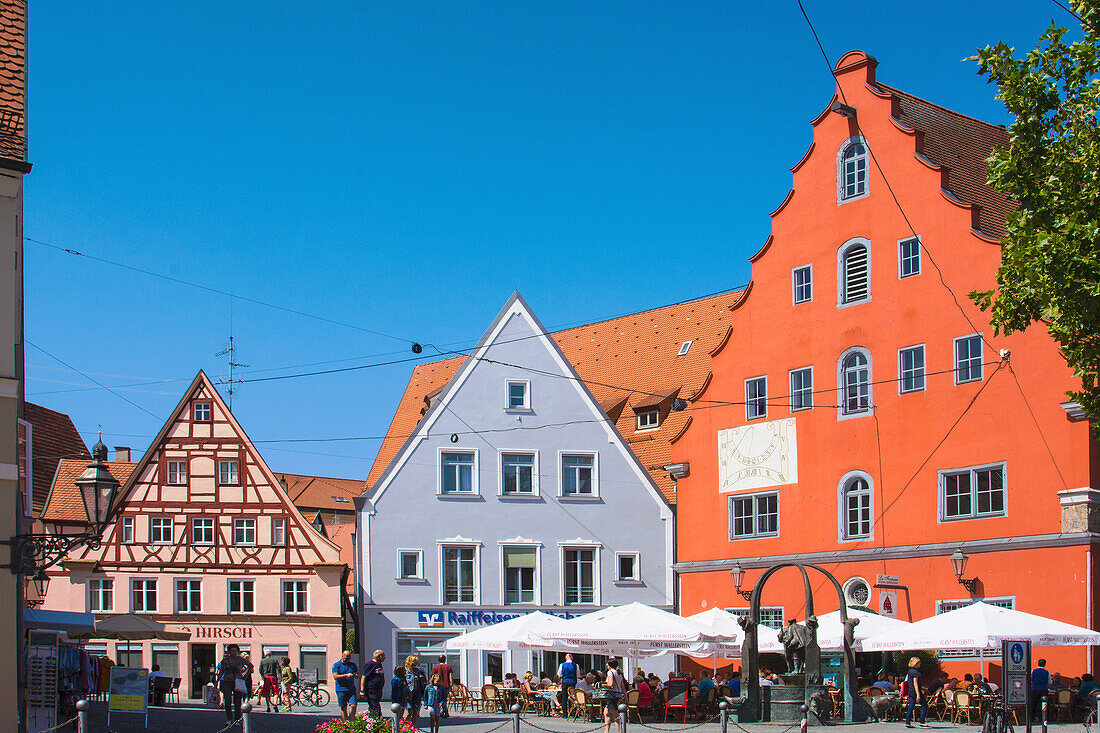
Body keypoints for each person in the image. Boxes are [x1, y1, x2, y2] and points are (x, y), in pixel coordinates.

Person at [216, 644, 249, 724]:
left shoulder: (241, 659)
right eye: (232, 650)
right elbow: (221, 671)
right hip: (226, 681)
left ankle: (237, 719)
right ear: (229, 651)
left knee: (237, 701)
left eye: (235, 651)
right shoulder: (225, 660)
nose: (234, 652)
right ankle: (229, 719)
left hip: (237, 681)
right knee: (227, 700)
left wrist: (245, 675)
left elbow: (251, 666)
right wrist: (217, 681)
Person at [332, 649, 360, 720]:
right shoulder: (336, 665)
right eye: (346, 658)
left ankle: (350, 721)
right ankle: (345, 723)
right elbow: (335, 676)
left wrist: (355, 675)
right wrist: (346, 675)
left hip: (351, 689)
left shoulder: (353, 665)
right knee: (343, 707)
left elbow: (357, 674)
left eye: (349, 658)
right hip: (341, 689)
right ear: (342, 656)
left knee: (353, 705)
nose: (348, 660)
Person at [603, 659, 626, 733]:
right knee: (607, 712)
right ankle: (606, 731)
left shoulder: (610, 672)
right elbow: (623, 687)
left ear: (610, 665)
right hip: (618, 694)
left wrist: (602, 685)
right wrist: (626, 698)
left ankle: (620, 731)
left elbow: (610, 684)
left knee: (614, 715)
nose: (606, 665)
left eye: (607, 664)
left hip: (612, 695)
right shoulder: (619, 673)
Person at [361, 649, 387, 717]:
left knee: (373, 706)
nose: (384, 657)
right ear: (378, 656)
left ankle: (371, 720)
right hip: (371, 689)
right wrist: (362, 690)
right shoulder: (370, 664)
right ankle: (379, 721)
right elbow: (364, 677)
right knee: (375, 707)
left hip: (378, 689)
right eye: (383, 656)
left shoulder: (379, 664)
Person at [404, 655, 428, 724]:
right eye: (415, 661)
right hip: (409, 694)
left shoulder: (418, 671)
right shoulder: (405, 671)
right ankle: (402, 727)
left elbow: (423, 681)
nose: (417, 663)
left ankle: (413, 728)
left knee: (415, 712)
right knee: (409, 711)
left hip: (417, 693)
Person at [903, 656, 926, 728]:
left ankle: (908, 722)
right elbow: (915, 683)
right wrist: (918, 694)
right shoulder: (916, 673)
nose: (920, 664)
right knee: (925, 706)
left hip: (910, 691)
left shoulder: (910, 671)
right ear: (916, 663)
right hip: (916, 691)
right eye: (919, 663)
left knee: (911, 707)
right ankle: (922, 721)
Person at [431, 654, 453, 718]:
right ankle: (445, 711)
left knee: (438, 698)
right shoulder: (448, 667)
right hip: (446, 685)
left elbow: (433, 676)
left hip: (438, 685)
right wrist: (451, 683)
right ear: (445, 660)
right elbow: (450, 676)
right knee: (444, 698)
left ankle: (440, 711)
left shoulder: (436, 667)